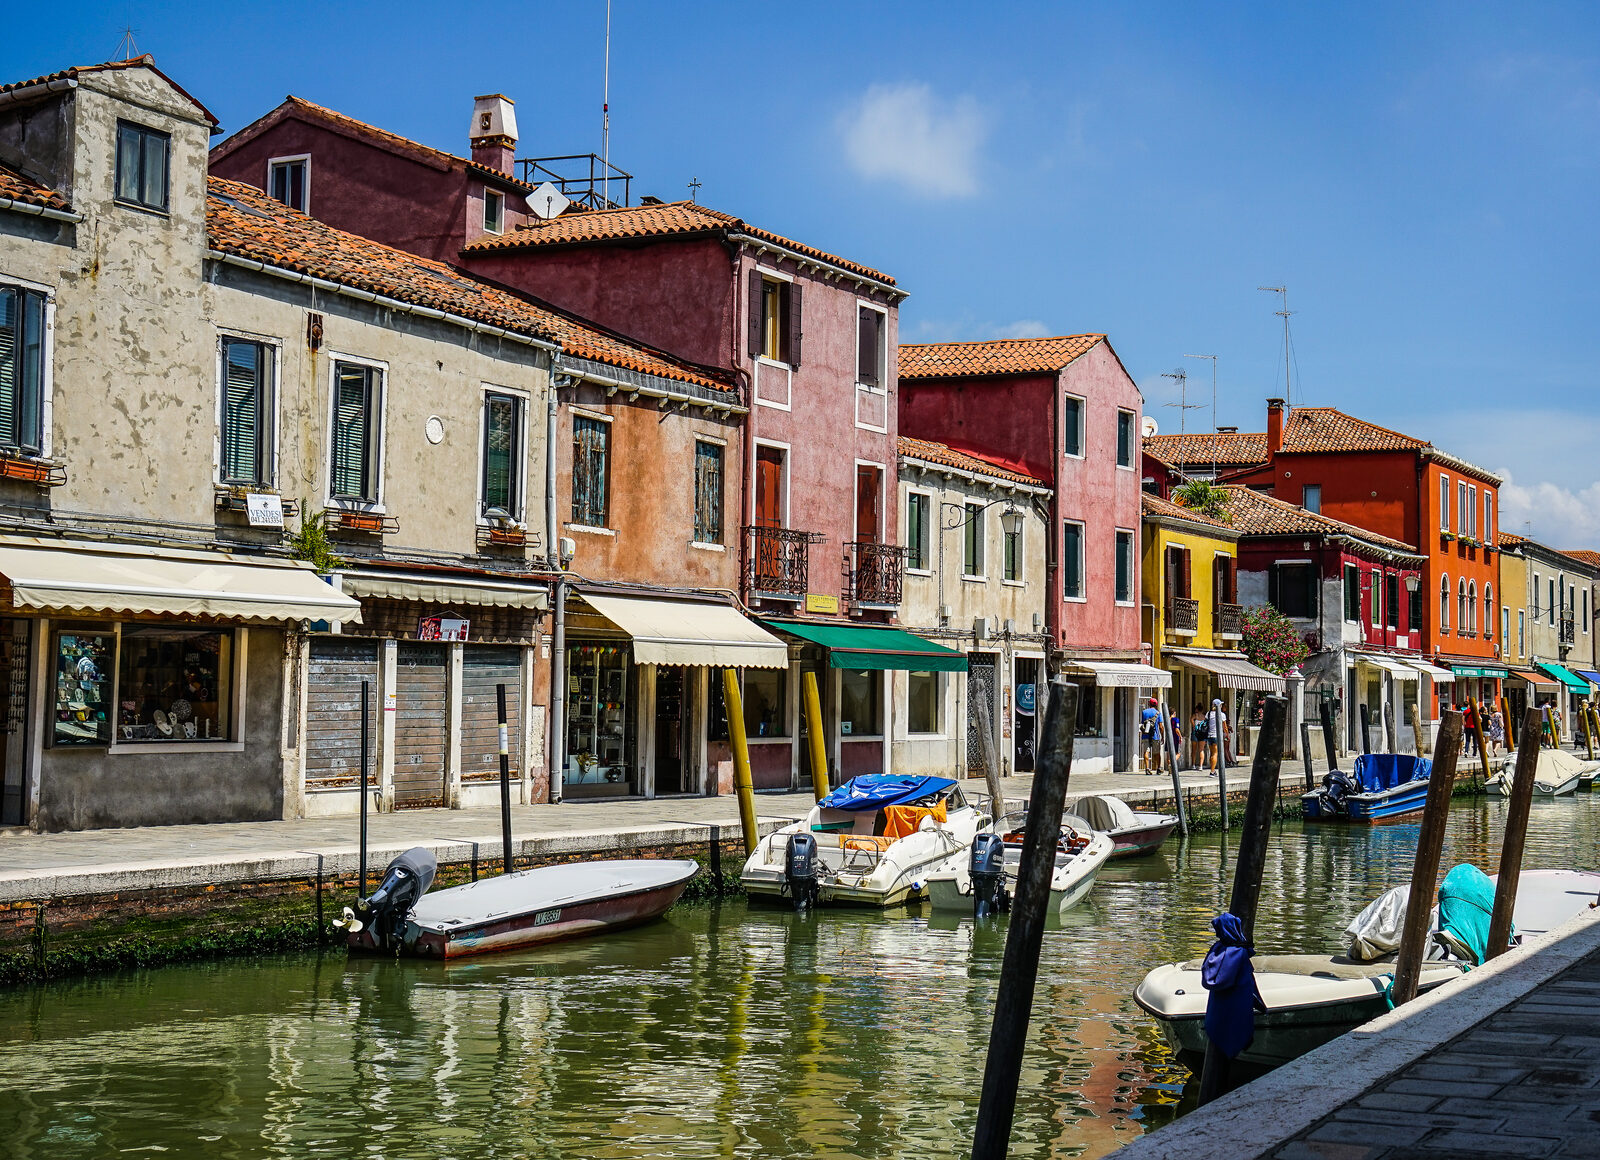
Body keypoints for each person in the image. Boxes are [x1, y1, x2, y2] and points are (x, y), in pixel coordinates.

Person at [1206, 698, 1231, 771]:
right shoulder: (1222, 715)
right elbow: (1225, 726)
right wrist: (1227, 735)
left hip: (1209, 735)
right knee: (1215, 753)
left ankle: (1212, 768)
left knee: (1211, 753)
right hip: (1216, 735)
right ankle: (1212, 771)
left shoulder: (1208, 713)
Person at [1139, 697, 1162, 772]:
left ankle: (1147, 768)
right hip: (1155, 735)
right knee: (1157, 753)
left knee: (1146, 751)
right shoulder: (1158, 713)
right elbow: (1161, 726)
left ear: (1149, 703)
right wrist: (1162, 735)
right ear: (1156, 704)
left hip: (1146, 734)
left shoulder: (1144, 712)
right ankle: (1158, 768)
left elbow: (1143, 723)